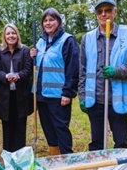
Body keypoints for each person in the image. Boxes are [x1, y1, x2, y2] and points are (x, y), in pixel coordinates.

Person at [78, 0, 127, 151]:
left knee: (121, 143)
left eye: (108, 10)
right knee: (96, 143)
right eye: (100, 11)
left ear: (115, 12)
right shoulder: (87, 39)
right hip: (95, 101)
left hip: (118, 100)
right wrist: (82, 96)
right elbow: (82, 71)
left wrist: (117, 71)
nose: (104, 14)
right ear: (96, 15)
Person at [30, 8, 79, 155]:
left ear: (58, 22)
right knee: (48, 128)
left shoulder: (67, 40)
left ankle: (66, 158)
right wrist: (32, 55)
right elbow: (37, 66)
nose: (48, 23)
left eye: (51, 20)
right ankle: (54, 154)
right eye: (45, 20)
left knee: (61, 128)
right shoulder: (40, 42)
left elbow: (73, 68)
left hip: (59, 96)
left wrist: (68, 93)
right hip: (41, 95)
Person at [0, 24, 33, 152]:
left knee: (20, 125)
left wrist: (18, 76)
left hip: (21, 94)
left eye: (13, 33)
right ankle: (8, 154)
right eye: (8, 33)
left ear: (17, 35)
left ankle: (20, 154)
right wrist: (5, 77)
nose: (11, 36)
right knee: (7, 125)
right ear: (4, 36)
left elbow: (28, 69)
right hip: (5, 95)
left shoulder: (25, 50)